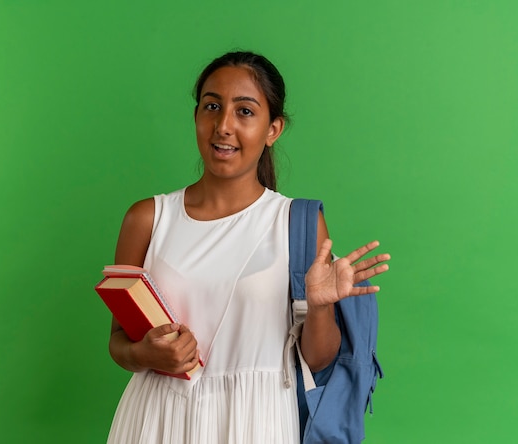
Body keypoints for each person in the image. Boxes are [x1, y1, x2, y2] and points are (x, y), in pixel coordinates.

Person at [106, 51, 390, 444]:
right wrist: (145, 356)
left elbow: (317, 360)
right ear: (196, 116)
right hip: (157, 420)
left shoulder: (296, 223)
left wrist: (321, 304)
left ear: (273, 129)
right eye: (211, 106)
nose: (223, 126)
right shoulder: (147, 219)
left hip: (257, 423)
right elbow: (118, 341)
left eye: (245, 112)